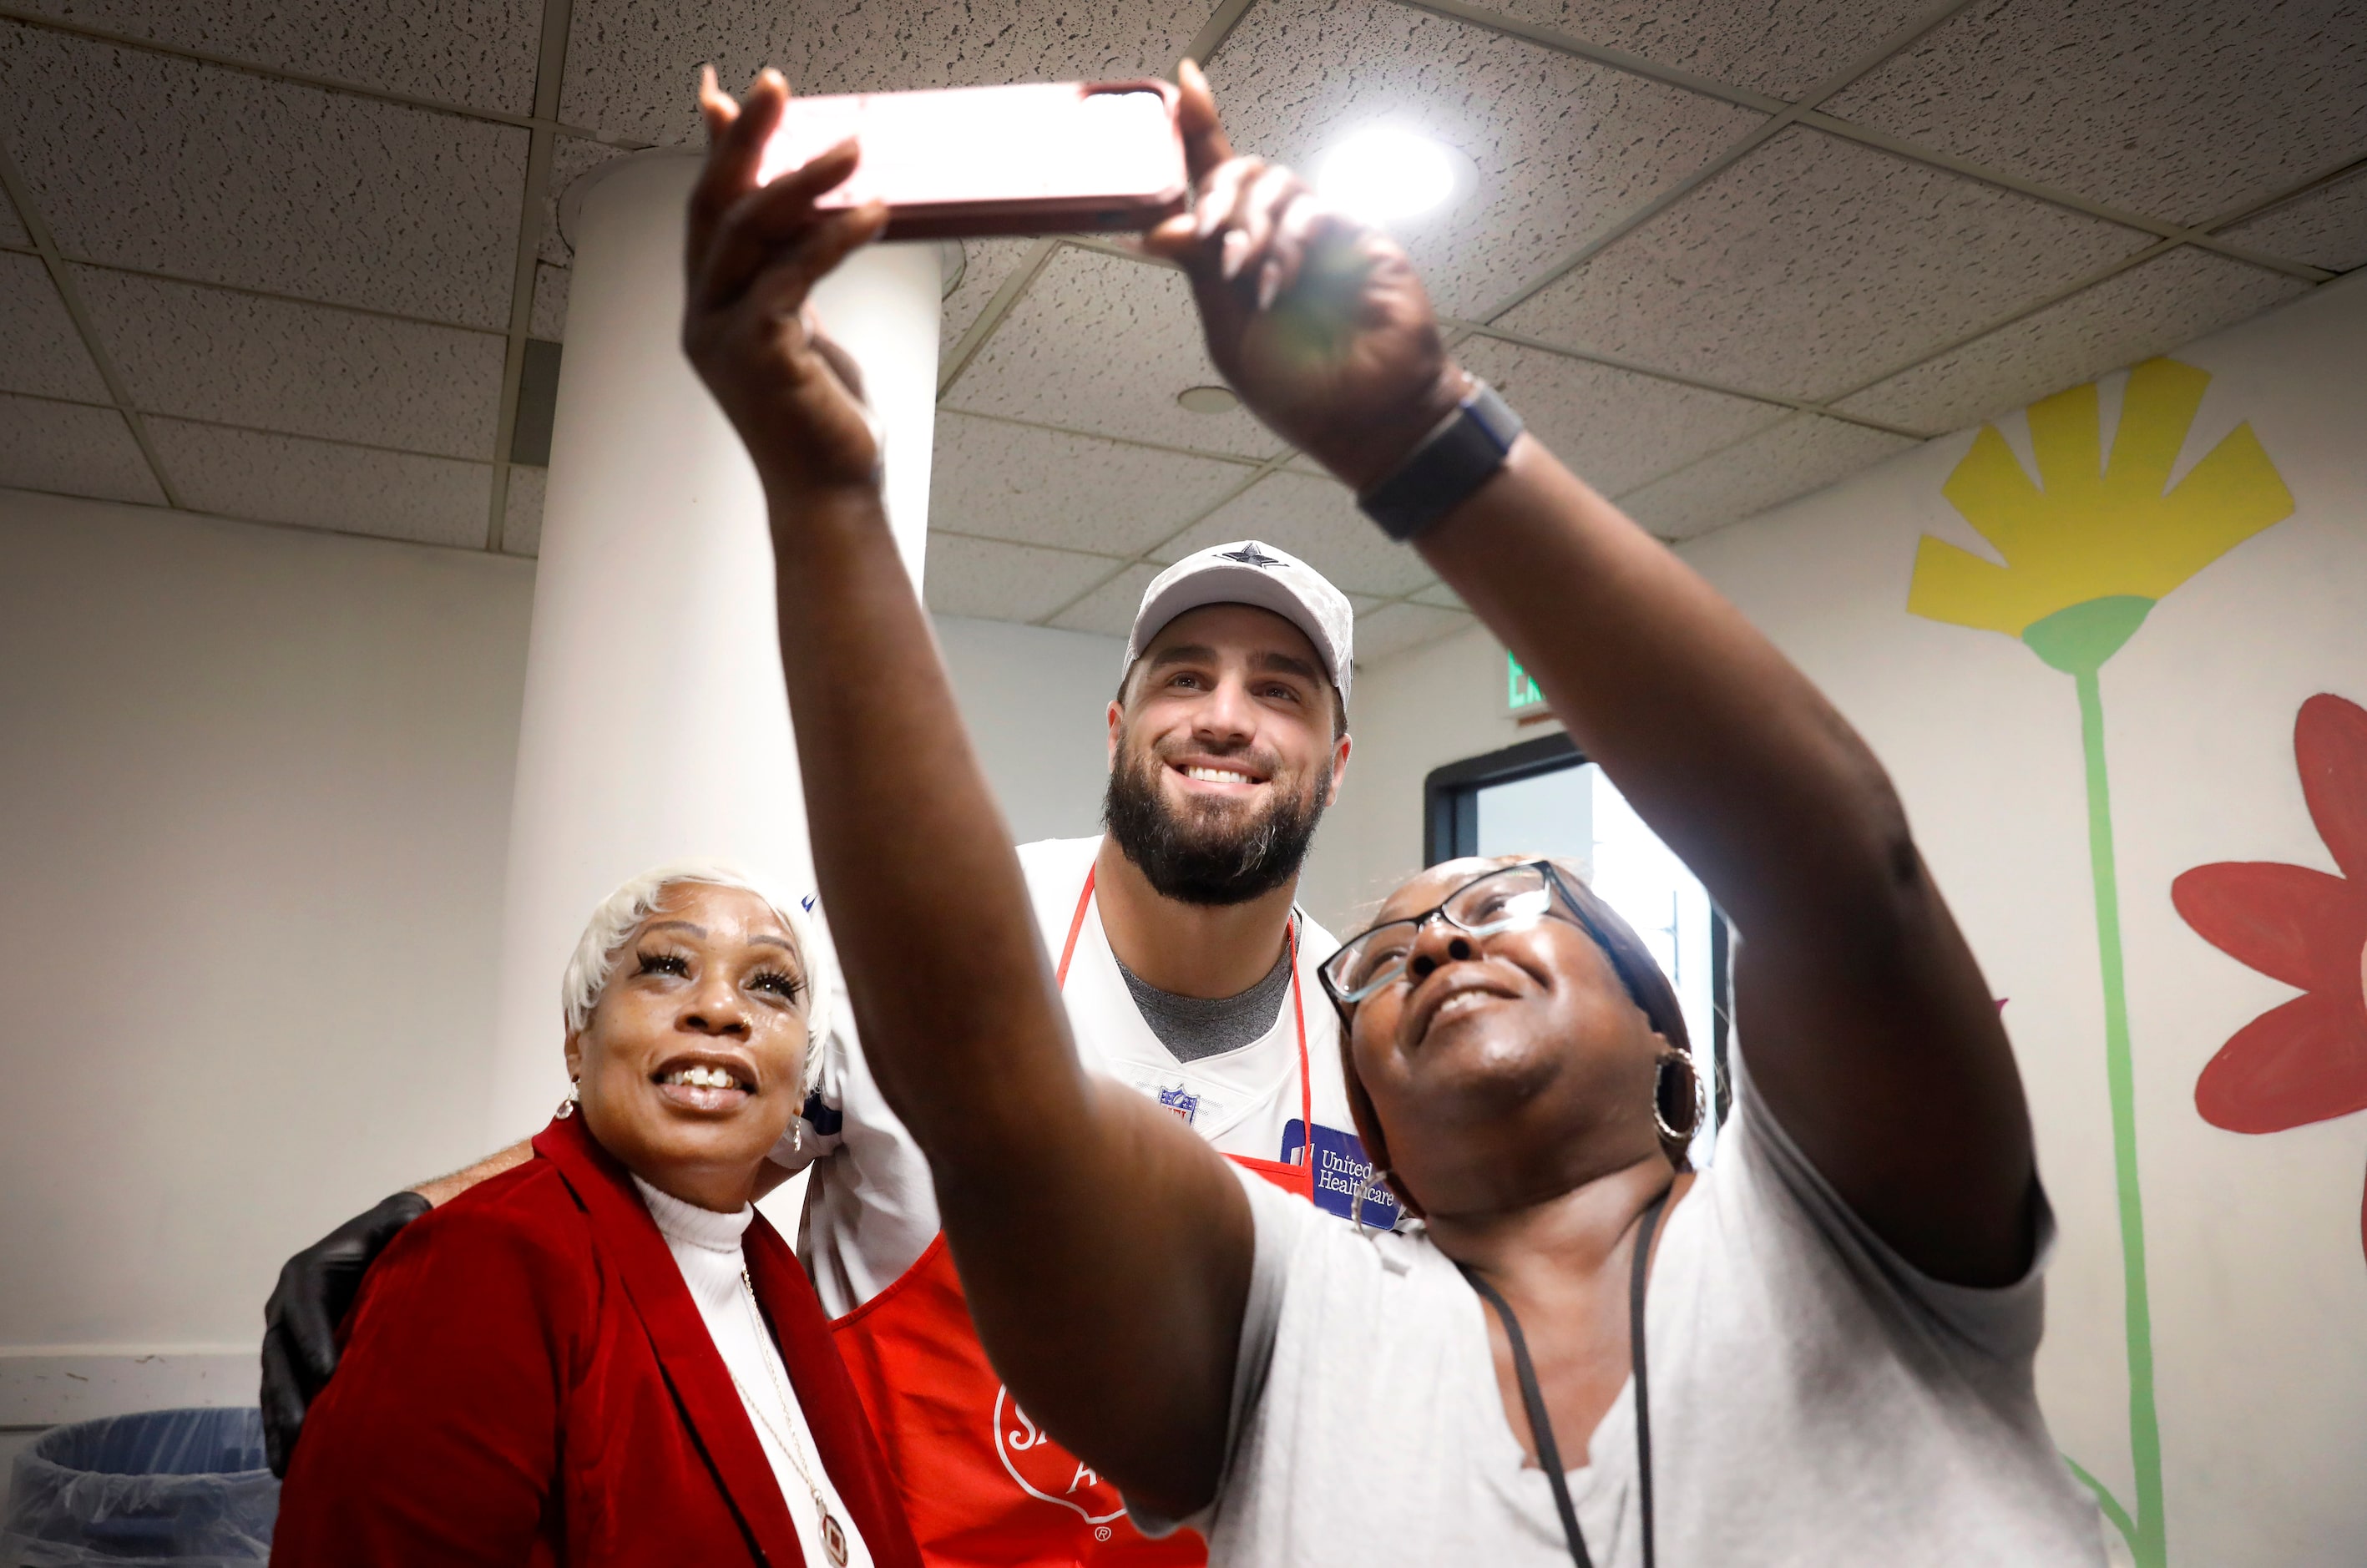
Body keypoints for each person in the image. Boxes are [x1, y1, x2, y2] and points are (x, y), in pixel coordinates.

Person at [688, 57, 2108, 1568]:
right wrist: (824, 498)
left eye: (1504, 903)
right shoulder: (1282, 1327)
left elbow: (1846, 880)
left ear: (1673, 1034)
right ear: (1364, 1117)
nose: (1434, 945)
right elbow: (992, 1103)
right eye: (1386, 956)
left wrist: (1418, 432)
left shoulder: (1857, 1223)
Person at [264, 110, 1391, 1568]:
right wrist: (419, 1213)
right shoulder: (936, 947)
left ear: (1340, 755)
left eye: (1279, 689)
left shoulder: (1371, 1035)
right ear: (1120, 720)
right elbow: (707, 1100)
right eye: (1186, 676)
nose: (1226, 717)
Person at [270, 866, 920, 1568]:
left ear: (803, 1084)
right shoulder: (483, 1263)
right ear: (577, 1040)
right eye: (668, 966)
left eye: (769, 985)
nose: (720, 1009)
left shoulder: (769, 1278)